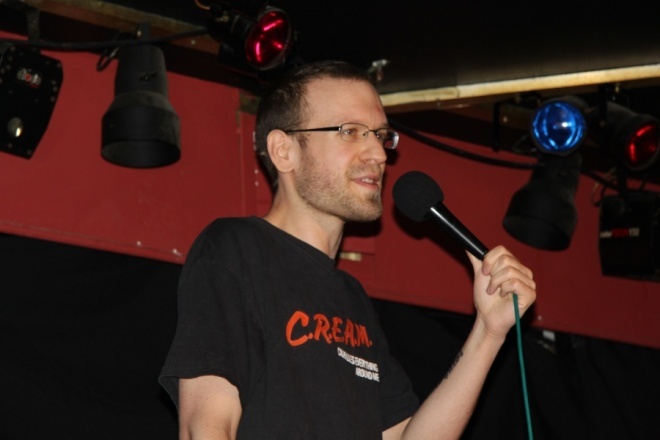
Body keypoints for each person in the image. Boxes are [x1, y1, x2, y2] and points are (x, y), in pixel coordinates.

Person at [159, 60, 537, 440]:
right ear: (284, 150)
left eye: (381, 135)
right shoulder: (236, 247)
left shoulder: (351, 298)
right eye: (350, 131)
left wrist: (488, 332)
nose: (378, 154)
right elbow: (204, 427)